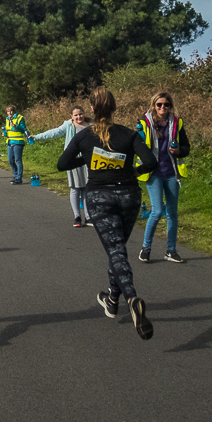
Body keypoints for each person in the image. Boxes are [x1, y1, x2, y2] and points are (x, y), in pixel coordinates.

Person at [57, 87, 158, 340]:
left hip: (100, 197)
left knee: (116, 251)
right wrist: (133, 170)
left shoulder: (84, 136)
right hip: (128, 196)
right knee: (118, 250)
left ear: (91, 109)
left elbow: (62, 164)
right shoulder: (129, 134)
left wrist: (88, 159)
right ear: (114, 108)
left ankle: (132, 297)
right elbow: (151, 162)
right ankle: (113, 300)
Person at [136, 92, 191, 263]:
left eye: (166, 105)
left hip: (171, 172)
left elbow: (186, 147)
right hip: (153, 173)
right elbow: (136, 145)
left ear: (170, 106)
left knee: (173, 213)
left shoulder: (177, 123)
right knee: (158, 211)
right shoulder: (144, 123)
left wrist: (179, 150)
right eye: (159, 104)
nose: (162, 108)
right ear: (153, 105)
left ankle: (171, 251)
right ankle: (146, 248)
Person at [34, 106, 94, 226]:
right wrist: (36, 137)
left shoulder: (92, 125)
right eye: (75, 115)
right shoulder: (68, 125)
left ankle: (88, 217)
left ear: (84, 114)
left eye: (80, 114)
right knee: (76, 188)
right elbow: (54, 132)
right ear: (71, 116)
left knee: (87, 188)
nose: (78, 117)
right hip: (73, 160)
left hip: (89, 160)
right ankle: (77, 217)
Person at [2, 105, 34, 184]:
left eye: (11, 111)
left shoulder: (20, 118)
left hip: (18, 142)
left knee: (18, 160)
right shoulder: (7, 119)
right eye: (8, 111)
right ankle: (16, 175)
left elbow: (24, 129)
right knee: (10, 160)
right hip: (10, 142)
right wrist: (5, 133)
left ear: (14, 111)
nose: (9, 113)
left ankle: (19, 178)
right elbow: (8, 129)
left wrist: (16, 126)